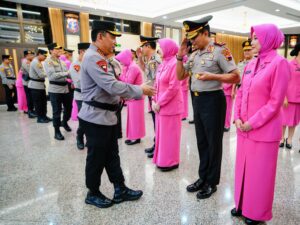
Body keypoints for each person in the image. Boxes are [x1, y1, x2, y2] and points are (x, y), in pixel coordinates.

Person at [78, 20, 155, 208]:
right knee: (96, 157)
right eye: (112, 37)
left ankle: (119, 188)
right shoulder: (92, 58)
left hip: (108, 116)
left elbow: (115, 82)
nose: (115, 41)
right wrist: (140, 90)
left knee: (112, 154)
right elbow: (111, 85)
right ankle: (92, 192)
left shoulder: (102, 57)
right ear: (100, 36)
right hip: (96, 117)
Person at [232, 24, 290, 225]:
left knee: (260, 174)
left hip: (263, 130)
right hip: (244, 129)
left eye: (256, 38)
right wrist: (237, 117)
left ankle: (256, 212)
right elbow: (240, 93)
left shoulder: (279, 63)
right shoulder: (250, 64)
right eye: (252, 38)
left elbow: (275, 102)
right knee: (243, 169)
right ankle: (241, 204)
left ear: (268, 39)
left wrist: (252, 123)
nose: (252, 42)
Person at [176, 15, 240, 199]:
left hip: (213, 101)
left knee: (213, 144)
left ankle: (212, 182)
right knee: (202, 142)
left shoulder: (220, 50)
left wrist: (214, 77)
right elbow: (180, 76)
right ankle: (202, 177)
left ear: (205, 33)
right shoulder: (194, 54)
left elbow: (236, 76)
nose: (192, 41)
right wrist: (180, 55)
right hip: (197, 100)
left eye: (195, 37)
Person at [152, 38, 183, 172]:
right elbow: (156, 83)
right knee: (162, 135)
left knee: (170, 136)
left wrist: (159, 102)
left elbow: (173, 88)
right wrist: (153, 99)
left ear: (169, 48)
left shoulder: (175, 63)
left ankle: (171, 161)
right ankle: (162, 159)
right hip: (160, 106)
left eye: (161, 47)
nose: (159, 50)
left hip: (171, 106)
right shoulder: (163, 63)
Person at [136, 35, 161, 158]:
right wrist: (140, 57)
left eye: (143, 47)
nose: (142, 49)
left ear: (148, 46)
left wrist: (141, 87)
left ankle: (158, 146)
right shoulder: (150, 60)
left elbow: (154, 80)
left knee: (157, 122)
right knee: (155, 121)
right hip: (151, 93)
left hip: (155, 94)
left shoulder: (155, 61)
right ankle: (156, 144)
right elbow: (145, 70)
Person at [115, 49, 145, 145]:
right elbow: (123, 80)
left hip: (136, 96)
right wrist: (119, 75)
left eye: (122, 60)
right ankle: (133, 136)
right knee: (132, 119)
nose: (121, 62)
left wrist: (119, 78)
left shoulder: (133, 68)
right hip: (131, 96)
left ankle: (136, 138)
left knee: (136, 119)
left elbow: (128, 83)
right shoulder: (128, 67)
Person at [44, 43, 72, 140]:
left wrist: (73, 77)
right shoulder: (48, 62)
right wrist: (67, 73)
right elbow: (52, 76)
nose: (59, 51)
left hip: (65, 89)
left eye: (59, 49)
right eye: (56, 49)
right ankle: (56, 131)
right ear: (51, 50)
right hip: (55, 90)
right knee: (57, 111)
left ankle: (64, 122)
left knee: (69, 109)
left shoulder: (62, 62)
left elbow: (68, 75)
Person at [69, 42, 90, 149]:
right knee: (83, 119)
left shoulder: (87, 62)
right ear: (82, 51)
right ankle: (79, 138)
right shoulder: (75, 65)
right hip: (81, 96)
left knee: (89, 119)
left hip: (89, 95)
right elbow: (78, 82)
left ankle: (88, 138)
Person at [280, 42, 300, 149]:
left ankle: (290, 139)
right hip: (288, 98)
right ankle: (282, 138)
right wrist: (284, 96)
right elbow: (283, 81)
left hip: (298, 99)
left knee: (294, 121)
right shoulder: (290, 64)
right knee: (283, 120)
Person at [29, 49, 51, 123]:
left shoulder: (39, 62)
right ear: (39, 54)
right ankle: (40, 118)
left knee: (43, 102)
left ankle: (44, 116)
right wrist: (51, 73)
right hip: (35, 86)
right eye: (44, 56)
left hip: (40, 85)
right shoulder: (35, 62)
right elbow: (41, 74)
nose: (45, 57)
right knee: (38, 103)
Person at [21, 50, 36, 118]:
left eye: (32, 55)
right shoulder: (25, 61)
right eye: (30, 55)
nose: (31, 56)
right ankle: (30, 112)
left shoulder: (30, 61)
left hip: (30, 82)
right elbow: (30, 71)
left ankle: (32, 110)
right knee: (29, 97)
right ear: (26, 56)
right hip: (27, 83)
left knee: (32, 97)